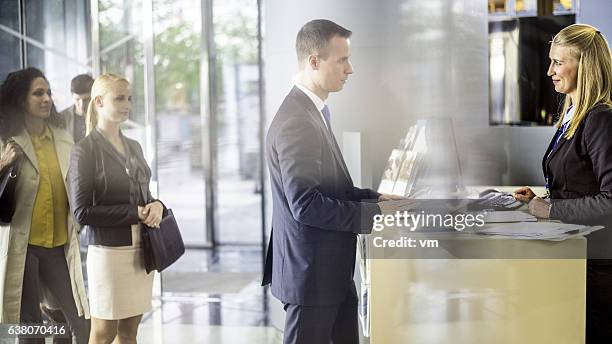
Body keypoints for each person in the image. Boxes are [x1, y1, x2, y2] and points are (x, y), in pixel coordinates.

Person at [261, 19, 400, 343]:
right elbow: (306, 205)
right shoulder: (299, 121)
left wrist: (374, 199)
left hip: (327, 274)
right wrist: (375, 215)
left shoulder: (312, 113)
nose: (349, 69)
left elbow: (329, 188)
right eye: (342, 60)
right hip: (312, 278)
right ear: (314, 61)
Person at [513, 24, 612, 343]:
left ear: (584, 65)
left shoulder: (600, 119)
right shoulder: (574, 116)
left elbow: (610, 199)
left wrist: (551, 208)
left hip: (598, 268)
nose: (549, 71)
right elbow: (578, 184)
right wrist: (539, 199)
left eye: (558, 62)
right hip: (578, 259)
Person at [69, 74, 164, 344]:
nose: (127, 104)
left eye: (129, 98)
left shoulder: (134, 146)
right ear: (98, 101)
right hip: (109, 254)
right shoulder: (84, 150)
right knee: (103, 333)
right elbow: (82, 212)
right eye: (119, 98)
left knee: (129, 332)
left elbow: (145, 195)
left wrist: (157, 205)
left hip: (142, 250)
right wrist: (133, 212)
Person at [0, 67, 91, 343]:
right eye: (38, 93)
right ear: (20, 100)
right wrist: (3, 164)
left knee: (80, 322)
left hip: (59, 246)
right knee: (31, 330)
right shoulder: (7, 141)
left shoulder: (63, 138)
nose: (46, 99)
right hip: (24, 248)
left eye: (49, 92)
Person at [60, 74, 94, 143]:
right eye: (77, 99)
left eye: (86, 99)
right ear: (72, 95)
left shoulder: (103, 115)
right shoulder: (62, 117)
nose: (81, 105)